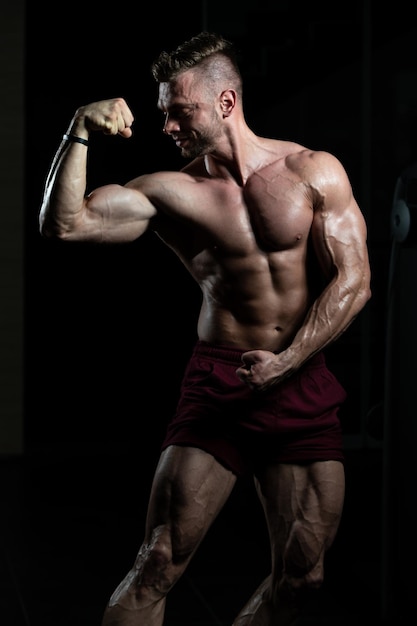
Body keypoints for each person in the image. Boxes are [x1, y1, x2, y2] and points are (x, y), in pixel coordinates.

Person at [39, 31, 371, 626]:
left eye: (179, 111)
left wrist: (290, 360)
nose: (166, 125)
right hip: (222, 381)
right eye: (164, 112)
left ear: (224, 103)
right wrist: (78, 130)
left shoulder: (314, 172)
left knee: (303, 577)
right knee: (159, 559)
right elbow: (65, 225)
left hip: (299, 376)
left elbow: (355, 281)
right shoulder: (174, 191)